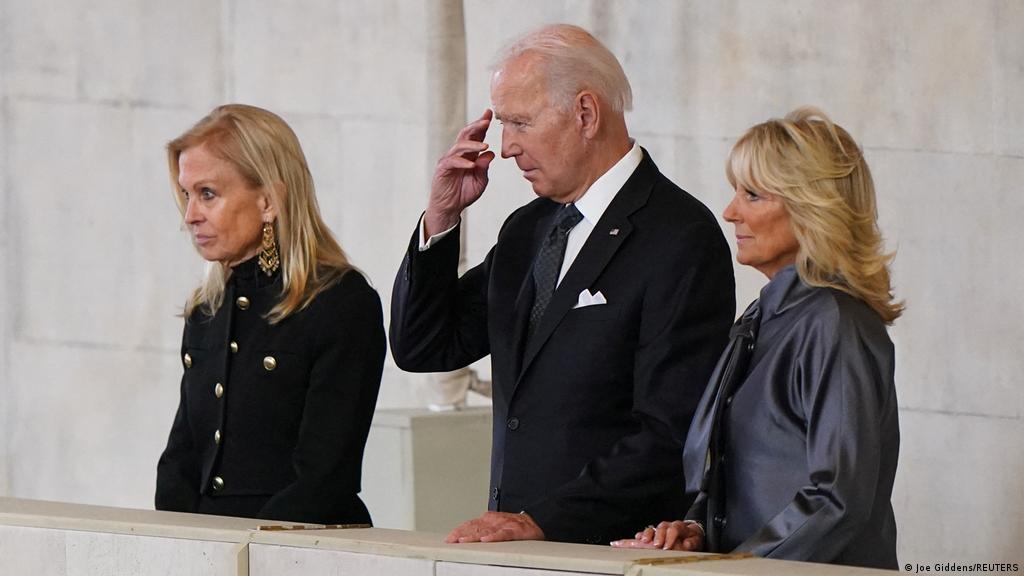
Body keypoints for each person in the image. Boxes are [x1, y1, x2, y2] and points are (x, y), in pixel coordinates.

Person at [390, 24, 735, 544]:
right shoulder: (528, 229)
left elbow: (668, 432)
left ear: (586, 114)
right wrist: (441, 218)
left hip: (613, 550)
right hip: (516, 547)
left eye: (521, 123)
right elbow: (425, 345)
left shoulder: (680, 235)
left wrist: (543, 521)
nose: (505, 148)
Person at [611, 107, 903, 569]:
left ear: (812, 207)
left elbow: (837, 499)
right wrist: (697, 530)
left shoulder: (834, 322)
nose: (729, 212)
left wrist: (736, 564)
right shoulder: (763, 316)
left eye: (752, 195)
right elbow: (746, 480)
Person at [155, 104, 385, 525]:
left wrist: (250, 551)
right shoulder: (207, 308)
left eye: (208, 194)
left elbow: (326, 476)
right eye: (187, 195)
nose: (190, 216)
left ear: (267, 201)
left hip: (302, 546)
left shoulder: (339, 302)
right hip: (212, 547)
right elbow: (181, 458)